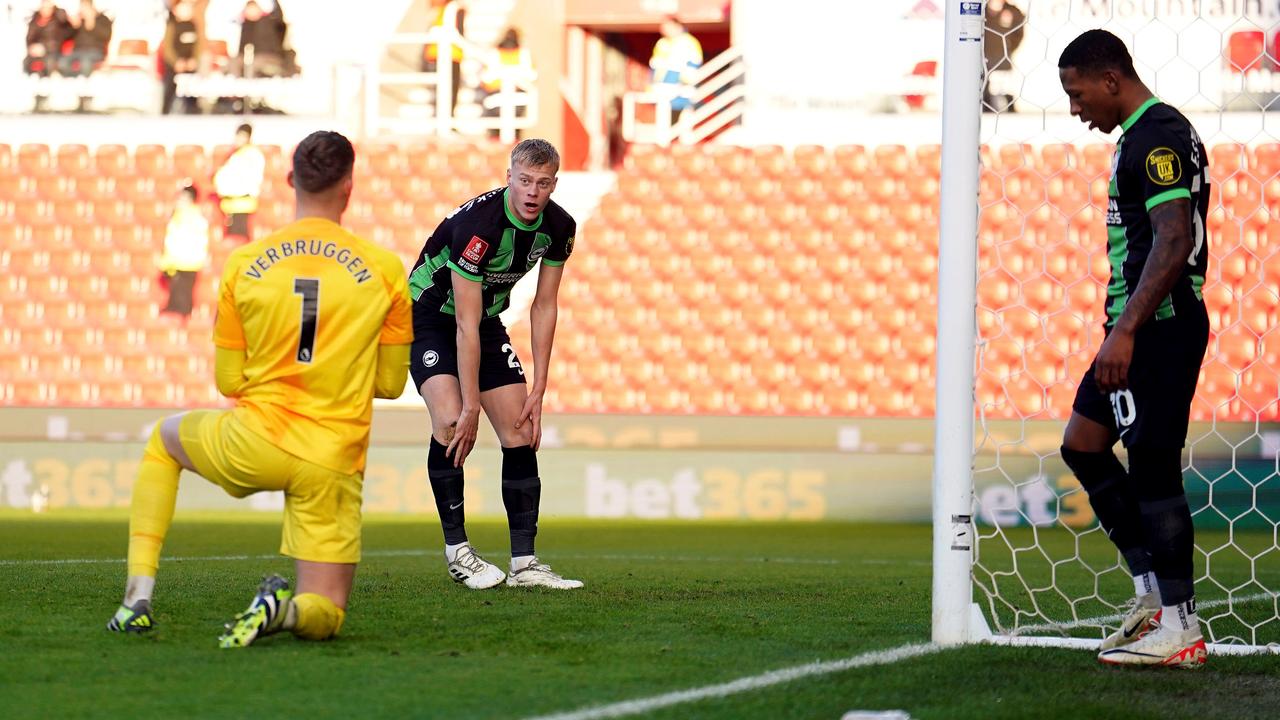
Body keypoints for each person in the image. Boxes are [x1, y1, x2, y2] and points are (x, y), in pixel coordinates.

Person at [106, 130, 414, 648]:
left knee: (164, 442)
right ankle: (284, 612)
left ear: (291, 180)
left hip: (255, 439)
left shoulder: (245, 263)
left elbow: (227, 381)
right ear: (349, 186)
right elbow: (389, 383)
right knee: (326, 613)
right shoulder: (385, 270)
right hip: (332, 458)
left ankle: (136, 597)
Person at [1057, 29, 1211, 668]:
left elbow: (1173, 242)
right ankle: (1151, 594)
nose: (1075, 107)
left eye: (1077, 92)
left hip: (1158, 327)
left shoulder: (1154, 137)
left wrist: (1125, 331)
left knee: (1151, 463)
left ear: (1111, 80)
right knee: (1083, 444)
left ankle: (1182, 628)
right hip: (1134, 324)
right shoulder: (1150, 134)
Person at [407, 139, 581, 590]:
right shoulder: (477, 228)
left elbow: (545, 305)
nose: (532, 192)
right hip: (432, 318)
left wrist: (540, 386)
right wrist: (469, 407)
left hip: (482, 321)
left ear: (553, 186)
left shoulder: (560, 227)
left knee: (520, 430)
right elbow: (463, 325)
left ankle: (525, 564)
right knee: (450, 422)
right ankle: (457, 552)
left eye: (543, 184)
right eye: (524, 180)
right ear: (509, 177)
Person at [158, 184, 211, 317]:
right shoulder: (183, 215)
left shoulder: (190, 216)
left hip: (185, 260)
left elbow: (182, 239)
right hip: (181, 260)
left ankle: (181, 313)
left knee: (183, 290)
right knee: (177, 289)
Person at [214, 123, 266, 241]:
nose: (239, 139)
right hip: (230, 203)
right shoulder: (235, 154)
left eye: (243, 136)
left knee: (239, 239)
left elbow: (245, 179)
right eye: (238, 135)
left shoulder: (251, 155)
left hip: (242, 203)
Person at [648, 15, 702, 124]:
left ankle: (686, 140)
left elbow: (694, 65)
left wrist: (684, 82)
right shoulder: (662, 43)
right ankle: (664, 139)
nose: (663, 29)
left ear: (677, 25)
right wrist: (652, 83)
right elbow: (655, 66)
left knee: (685, 114)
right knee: (664, 118)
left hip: (682, 86)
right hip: (664, 87)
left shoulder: (689, 42)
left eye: (667, 26)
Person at [25, 0, 71, 112]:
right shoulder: (35, 20)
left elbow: (62, 33)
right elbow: (29, 38)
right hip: (37, 53)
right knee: (29, 63)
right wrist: (33, 47)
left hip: (52, 51)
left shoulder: (58, 18)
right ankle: (38, 96)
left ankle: (45, 95)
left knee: (47, 64)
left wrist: (44, 48)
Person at [421, 0, 465, 119]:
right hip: (446, 54)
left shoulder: (444, 9)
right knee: (447, 88)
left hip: (445, 54)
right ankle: (445, 118)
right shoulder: (451, 9)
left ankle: (445, 118)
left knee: (445, 89)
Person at [161, 0, 205, 114]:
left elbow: (198, 46)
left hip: (190, 64)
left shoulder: (194, 25)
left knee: (192, 91)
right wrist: (176, 62)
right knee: (169, 89)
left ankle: (193, 112)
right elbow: (167, 49)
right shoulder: (172, 26)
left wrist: (194, 60)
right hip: (174, 65)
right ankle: (165, 113)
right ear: (175, 11)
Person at [983, 0, 1024, 113]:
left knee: (1005, 94)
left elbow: (1019, 34)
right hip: (983, 63)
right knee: (986, 101)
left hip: (1003, 63)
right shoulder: (981, 10)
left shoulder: (1013, 11)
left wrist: (1008, 49)